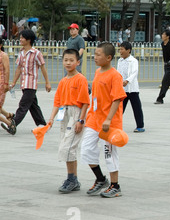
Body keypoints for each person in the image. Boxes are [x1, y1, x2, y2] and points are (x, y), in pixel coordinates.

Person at [80, 42, 127, 198]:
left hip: (109, 122)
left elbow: (117, 99)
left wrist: (108, 119)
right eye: (95, 54)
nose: (95, 57)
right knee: (86, 149)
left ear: (108, 57)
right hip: (94, 119)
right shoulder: (98, 72)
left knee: (109, 154)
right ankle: (100, 179)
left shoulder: (115, 75)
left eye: (98, 54)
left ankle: (115, 186)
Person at [47, 49, 90, 193]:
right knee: (67, 146)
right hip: (64, 113)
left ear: (78, 62)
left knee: (67, 147)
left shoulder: (81, 79)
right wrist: (51, 118)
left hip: (75, 113)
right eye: (66, 60)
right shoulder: (63, 80)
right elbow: (57, 101)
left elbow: (85, 102)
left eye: (71, 60)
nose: (68, 63)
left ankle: (72, 179)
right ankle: (73, 179)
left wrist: (81, 120)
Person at [8, 30, 51, 132]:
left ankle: (13, 123)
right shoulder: (21, 53)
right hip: (24, 83)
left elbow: (43, 68)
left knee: (23, 105)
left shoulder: (36, 53)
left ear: (29, 40)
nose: (20, 39)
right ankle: (42, 124)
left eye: (22, 38)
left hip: (31, 84)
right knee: (33, 105)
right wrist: (14, 82)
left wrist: (47, 82)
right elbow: (19, 68)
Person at [117, 41, 145, 133]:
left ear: (128, 50)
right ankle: (116, 125)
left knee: (136, 108)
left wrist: (127, 80)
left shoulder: (133, 61)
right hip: (122, 89)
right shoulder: (119, 60)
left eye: (122, 49)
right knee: (119, 108)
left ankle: (140, 126)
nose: (120, 51)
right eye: (120, 49)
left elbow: (134, 72)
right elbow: (118, 73)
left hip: (132, 89)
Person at [0, 43, 16, 134]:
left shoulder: (3, 55)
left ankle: (9, 124)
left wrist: (6, 84)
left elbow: (7, 70)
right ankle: (8, 115)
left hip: (1, 83)